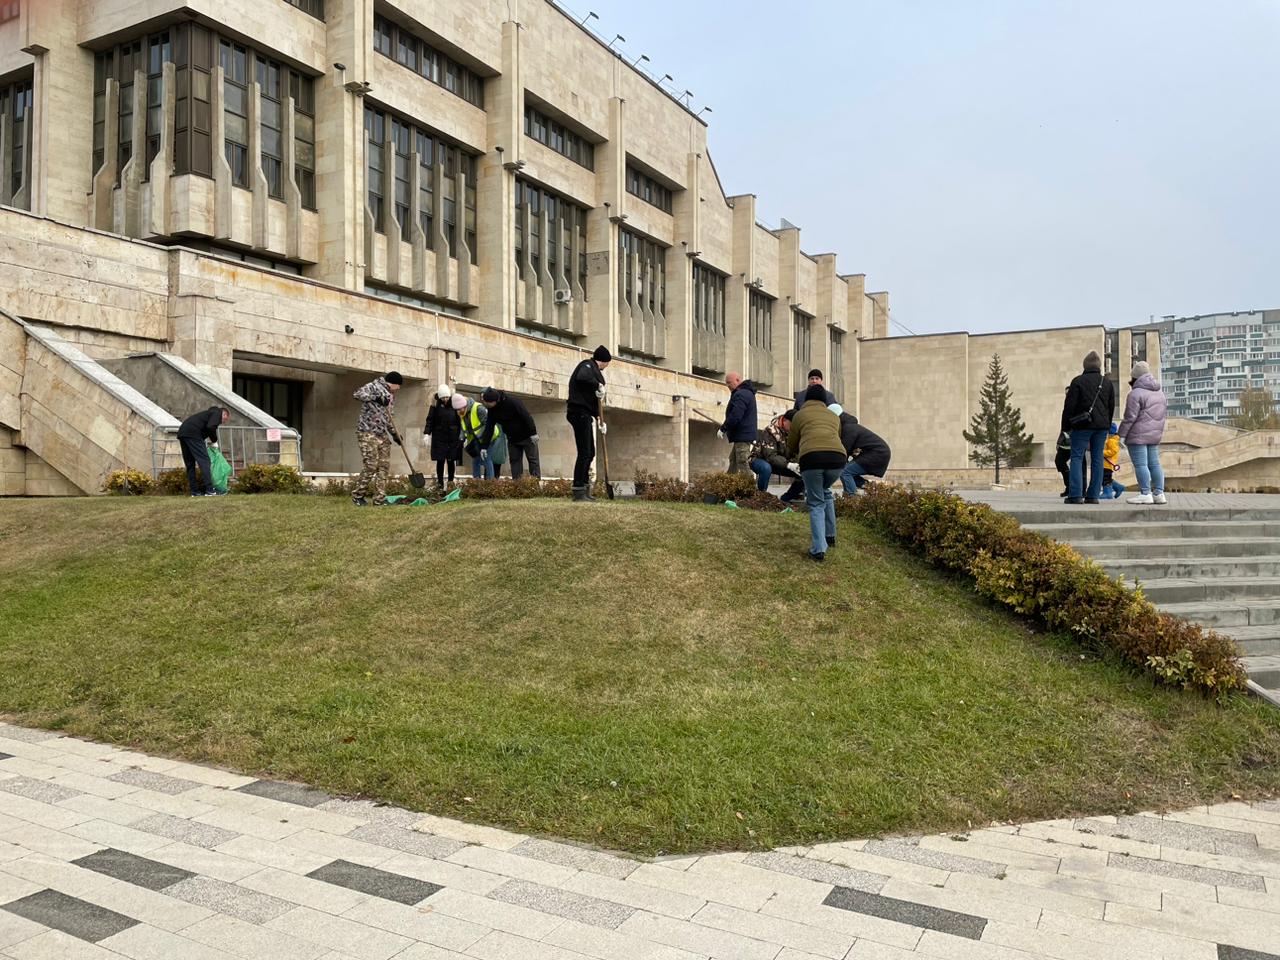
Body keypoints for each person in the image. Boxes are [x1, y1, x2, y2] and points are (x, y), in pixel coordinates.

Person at [786, 384, 846, 562]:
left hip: (811, 459)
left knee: (816, 503)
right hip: (837, 460)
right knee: (825, 492)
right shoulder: (833, 416)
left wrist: (794, 454)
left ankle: (818, 549)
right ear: (824, 400)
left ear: (806, 399)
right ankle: (830, 536)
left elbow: (792, 443)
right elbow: (838, 436)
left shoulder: (799, 415)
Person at [1062, 351, 1116, 505]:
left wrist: (1065, 426)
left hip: (1082, 425)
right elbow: (1111, 406)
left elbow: (1069, 406)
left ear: (1085, 366)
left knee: (1077, 457)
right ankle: (1093, 496)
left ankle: (1076, 495)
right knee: (1097, 458)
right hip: (1102, 427)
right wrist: (1107, 425)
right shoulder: (1107, 383)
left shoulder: (1077, 381)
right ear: (1099, 366)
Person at [1119, 360, 1168, 505]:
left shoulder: (1135, 394)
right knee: (1155, 464)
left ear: (1135, 377)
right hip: (1154, 434)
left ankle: (1145, 493)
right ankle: (1159, 493)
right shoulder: (1160, 393)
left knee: (1141, 465)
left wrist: (1121, 435)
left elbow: (1130, 417)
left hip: (1137, 435)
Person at [352, 371, 403, 506]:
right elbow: (357, 394)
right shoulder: (373, 386)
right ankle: (358, 495)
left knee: (383, 466)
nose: (399, 388)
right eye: (398, 385)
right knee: (371, 465)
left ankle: (379, 499)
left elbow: (389, 417)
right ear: (393, 383)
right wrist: (376, 398)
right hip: (367, 431)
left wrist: (395, 434)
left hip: (382, 434)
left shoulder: (391, 396)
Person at [567, 345, 610, 502]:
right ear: (604, 361)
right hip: (578, 413)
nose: (607, 366)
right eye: (607, 363)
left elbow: (591, 401)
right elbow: (582, 377)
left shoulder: (594, 371)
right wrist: (597, 385)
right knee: (585, 452)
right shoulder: (586, 366)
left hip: (585, 414)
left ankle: (585, 489)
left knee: (590, 452)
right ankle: (578, 490)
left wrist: (599, 418)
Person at [480, 387, 540, 479]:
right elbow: (489, 428)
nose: (485, 405)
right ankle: (517, 484)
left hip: (527, 436)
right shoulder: (492, 410)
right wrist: (484, 446)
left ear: (494, 401)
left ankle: (535, 483)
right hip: (512, 439)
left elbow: (526, 416)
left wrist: (533, 433)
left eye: (487, 403)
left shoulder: (513, 402)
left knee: (533, 460)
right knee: (515, 461)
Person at [749, 411, 804, 504]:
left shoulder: (793, 432)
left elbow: (795, 452)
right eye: (793, 424)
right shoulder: (770, 431)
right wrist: (788, 465)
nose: (794, 427)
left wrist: (798, 464)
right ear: (785, 421)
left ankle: (785, 499)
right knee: (766, 468)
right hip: (759, 459)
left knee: (804, 472)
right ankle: (761, 496)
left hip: (781, 462)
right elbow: (770, 456)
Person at [177, 406, 230, 497]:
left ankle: (195, 492)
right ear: (224, 414)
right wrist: (214, 441)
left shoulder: (207, 414)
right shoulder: (217, 413)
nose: (222, 422)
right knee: (205, 461)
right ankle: (210, 491)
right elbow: (211, 427)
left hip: (183, 432)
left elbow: (207, 426)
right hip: (193, 434)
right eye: (224, 420)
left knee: (190, 464)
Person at [836, 410, 892, 496]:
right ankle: (873, 489)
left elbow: (844, 450)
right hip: (879, 453)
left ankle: (852, 499)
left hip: (877, 454)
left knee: (845, 472)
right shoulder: (851, 427)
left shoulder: (848, 428)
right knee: (849, 471)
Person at [423, 383, 463, 489]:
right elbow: (430, 419)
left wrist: (463, 434)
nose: (445, 399)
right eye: (443, 397)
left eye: (447, 397)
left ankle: (450, 482)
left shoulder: (454, 405)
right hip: (439, 437)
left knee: (451, 460)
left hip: (452, 437)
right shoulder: (435, 405)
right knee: (440, 460)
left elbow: (461, 421)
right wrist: (427, 433)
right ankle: (440, 483)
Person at [718, 373, 758, 475]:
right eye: (726, 383)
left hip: (742, 435)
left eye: (729, 383)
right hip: (742, 435)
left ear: (737, 380)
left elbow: (736, 415)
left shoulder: (741, 394)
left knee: (742, 461)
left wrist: (723, 428)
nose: (728, 386)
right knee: (734, 461)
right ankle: (728, 481)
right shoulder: (745, 393)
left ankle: (749, 484)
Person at [453, 392, 497, 479]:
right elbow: (463, 427)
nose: (459, 411)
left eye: (460, 409)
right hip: (476, 439)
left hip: (489, 437)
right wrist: (461, 438)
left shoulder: (478, 408)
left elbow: (488, 425)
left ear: (464, 405)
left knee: (486, 458)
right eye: (457, 410)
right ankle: (476, 481)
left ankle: (490, 482)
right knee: (475, 460)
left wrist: (480, 436)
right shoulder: (462, 413)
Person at [1054, 387, 1072, 497]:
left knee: (1061, 462)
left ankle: (1071, 487)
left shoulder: (1074, 406)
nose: (1067, 396)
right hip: (1065, 442)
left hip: (1072, 441)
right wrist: (1059, 442)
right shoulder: (1067, 407)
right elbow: (1063, 427)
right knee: (1059, 462)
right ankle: (1069, 486)